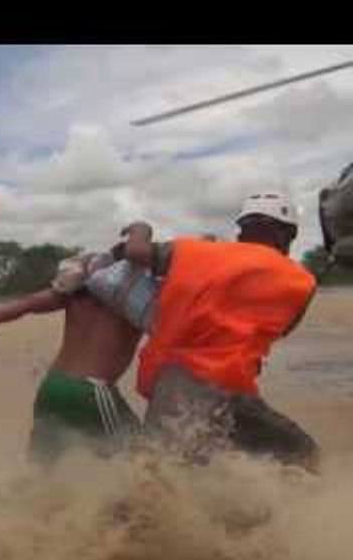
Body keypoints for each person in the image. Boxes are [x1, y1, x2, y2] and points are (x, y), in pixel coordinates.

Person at [122, 192, 319, 468]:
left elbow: (136, 253)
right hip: (231, 394)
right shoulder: (302, 282)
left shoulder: (193, 250)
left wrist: (139, 228)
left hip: (169, 385)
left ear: (241, 232)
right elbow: (279, 329)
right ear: (287, 236)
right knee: (303, 453)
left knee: (163, 468)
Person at [0, 239, 147, 465]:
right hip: (92, 392)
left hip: (52, 387)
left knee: (41, 469)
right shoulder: (136, 303)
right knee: (145, 456)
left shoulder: (77, 295)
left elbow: (26, 305)